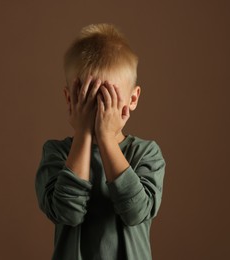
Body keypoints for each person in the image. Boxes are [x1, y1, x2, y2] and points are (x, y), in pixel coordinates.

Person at [35, 23, 166, 260]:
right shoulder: (56, 153)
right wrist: (84, 134)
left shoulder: (147, 154)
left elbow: (136, 212)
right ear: (70, 99)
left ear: (133, 99)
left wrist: (106, 138)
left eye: (109, 99)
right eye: (89, 99)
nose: (99, 111)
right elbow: (67, 213)